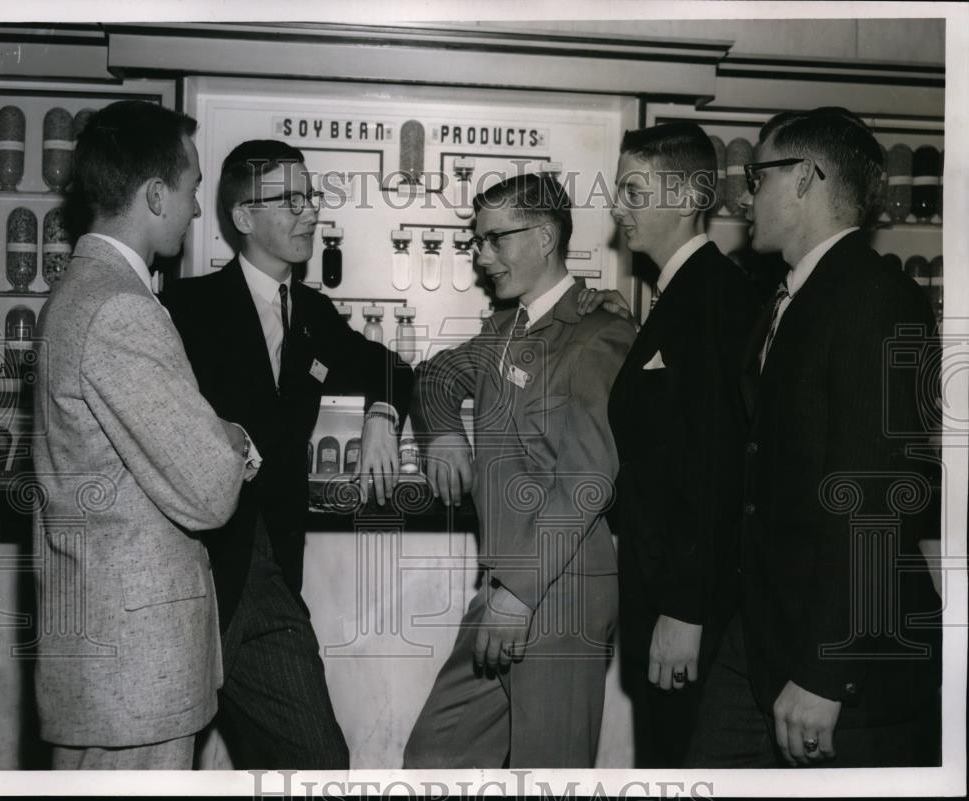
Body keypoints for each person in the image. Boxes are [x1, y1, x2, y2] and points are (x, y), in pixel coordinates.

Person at [687, 107, 941, 767]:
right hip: (765, 629)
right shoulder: (790, 294)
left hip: (844, 665)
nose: (746, 195)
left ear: (805, 178)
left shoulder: (874, 299)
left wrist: (831, 669)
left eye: (759, 176)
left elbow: (878, 497)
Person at [163, 139, 414, 768]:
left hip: (270, 576)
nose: (309, 213)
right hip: (190, 573)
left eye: (311, 197)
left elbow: (389, 367)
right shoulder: (183, 309)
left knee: (317, 762)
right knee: (158, 768)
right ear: (244, 217)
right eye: (290, 199)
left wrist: (382, 415)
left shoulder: (313, 314)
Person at [31, 100, 254, 770]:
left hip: (105, 661)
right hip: (133, 668)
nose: (193, 212)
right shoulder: (121, 308)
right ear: (156, 194)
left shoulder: (76, 293)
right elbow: (211, 488)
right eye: (189, 192)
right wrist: (233, 439)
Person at [402, 173, 635, 768]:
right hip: (505, 585)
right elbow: (435, 377)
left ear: (545, 237)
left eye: (495, 240)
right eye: (477, 241)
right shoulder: (504, 329)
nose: (481, 257)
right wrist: (445, 434)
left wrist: (519, 594)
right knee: (435, 758)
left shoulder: (598, 334)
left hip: (559, 593)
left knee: (550, 773)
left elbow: (587, 482)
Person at [577, 122, 761, 767]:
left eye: (632, 190)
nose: (616, 206)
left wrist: (685, 612)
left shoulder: (713, 299)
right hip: (660, 595)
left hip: (687, 611)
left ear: (688, 197)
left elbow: (713, 470)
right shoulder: (678, 295)